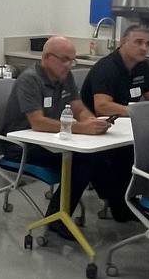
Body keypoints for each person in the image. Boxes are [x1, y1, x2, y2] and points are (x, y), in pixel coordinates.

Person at [10, 36, 131, 228]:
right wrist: (81, 128)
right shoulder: (30, 80)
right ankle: (57, 220)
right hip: (22, 147)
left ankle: (119, 206)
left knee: (103, 155)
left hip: (54, 140)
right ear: (47, 58)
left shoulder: (65, 77)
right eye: (64, 60)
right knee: (83, 163)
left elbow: (79, 109)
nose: (69, 65)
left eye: (72, 60)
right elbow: (37, 122)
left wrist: (92, 122)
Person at [83, 24, 149, 117]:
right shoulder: (106, 67)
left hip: (128, 119)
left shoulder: (143, 66)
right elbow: (102, 107)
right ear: (124, 42)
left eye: (147, 44)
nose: (144, 48)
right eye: (139, 42)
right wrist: (138, 112)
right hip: (98, 121)